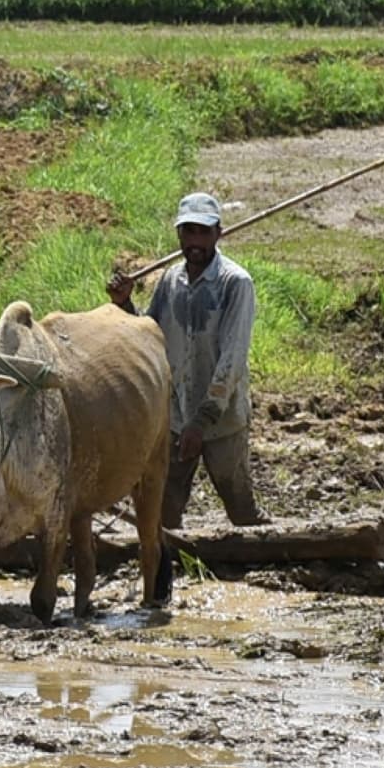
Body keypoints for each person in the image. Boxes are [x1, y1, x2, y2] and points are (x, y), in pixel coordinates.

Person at [107, 191, 270, 532]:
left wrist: (203, 419)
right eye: (188, 232)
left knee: (240, 509)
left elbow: (232, 359)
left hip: (221, 419)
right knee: (163, 512)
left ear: (218, 234)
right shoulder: (171, 281)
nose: (195, 242)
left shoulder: (235, 283)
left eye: (203, 232)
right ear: (179, 235)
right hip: (177, 417)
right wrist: (124, 305)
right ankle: (167, 570)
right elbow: (149, 335)